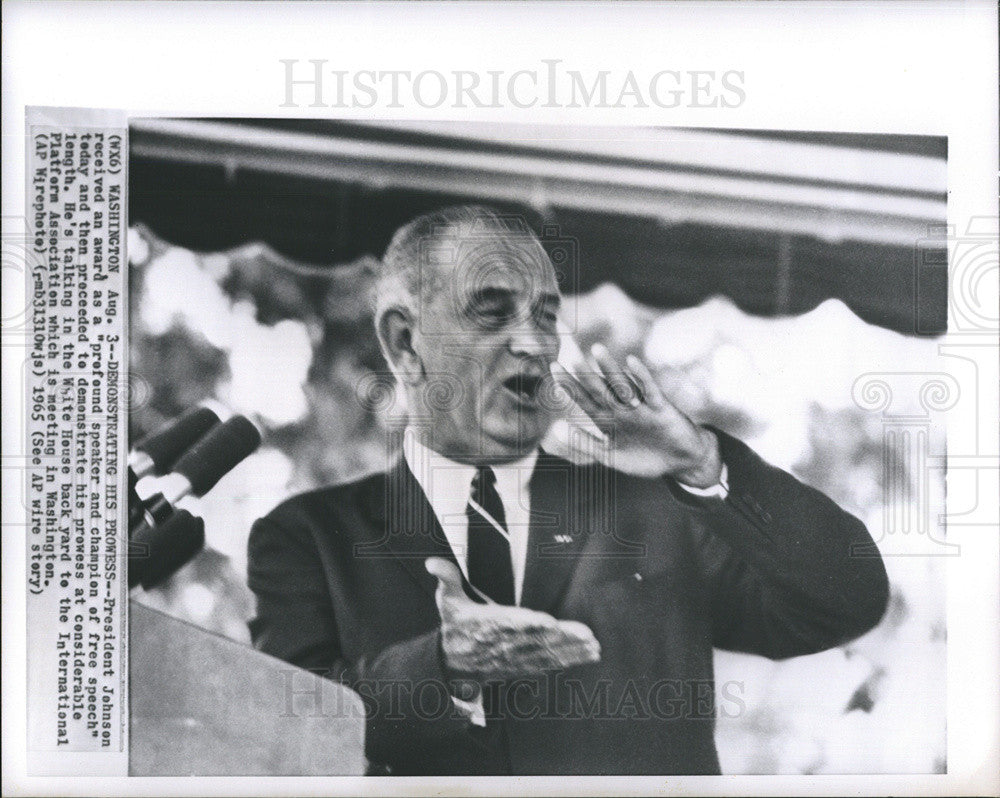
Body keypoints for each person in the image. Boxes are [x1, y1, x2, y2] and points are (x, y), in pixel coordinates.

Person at [247, 205, 889, 775]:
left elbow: (845, 599)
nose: (534, 342)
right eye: (493, 311)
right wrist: (443, 667)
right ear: (405, 342)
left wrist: (701, 460)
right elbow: (286, 728)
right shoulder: (308, 538)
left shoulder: (655, 505)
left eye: (546, 316)